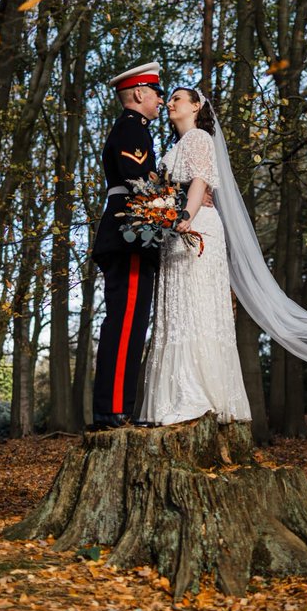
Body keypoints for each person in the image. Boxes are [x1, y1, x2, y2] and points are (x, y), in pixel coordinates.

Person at [138, 87, 251, 425]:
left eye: (176, 99)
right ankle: (174, 396)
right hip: (175, 229)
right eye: (168, 100)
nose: (169, 104)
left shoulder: (199, 137)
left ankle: (202, 394)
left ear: (196, 106)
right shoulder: (175, 146)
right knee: (177, 307)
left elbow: (200, 181)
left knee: (198, 302)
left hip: (197, 225)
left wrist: (184, 217)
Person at [90, 62, 165, 429]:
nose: (160, 100)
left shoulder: (134, 129)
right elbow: (139, 180)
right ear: (139, 94)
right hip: (129, 233)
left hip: (125, 233)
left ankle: (115, 405)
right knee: (126, 323)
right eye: (156, 93)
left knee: (128, 322)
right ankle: (114, 408)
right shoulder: (133, 129)